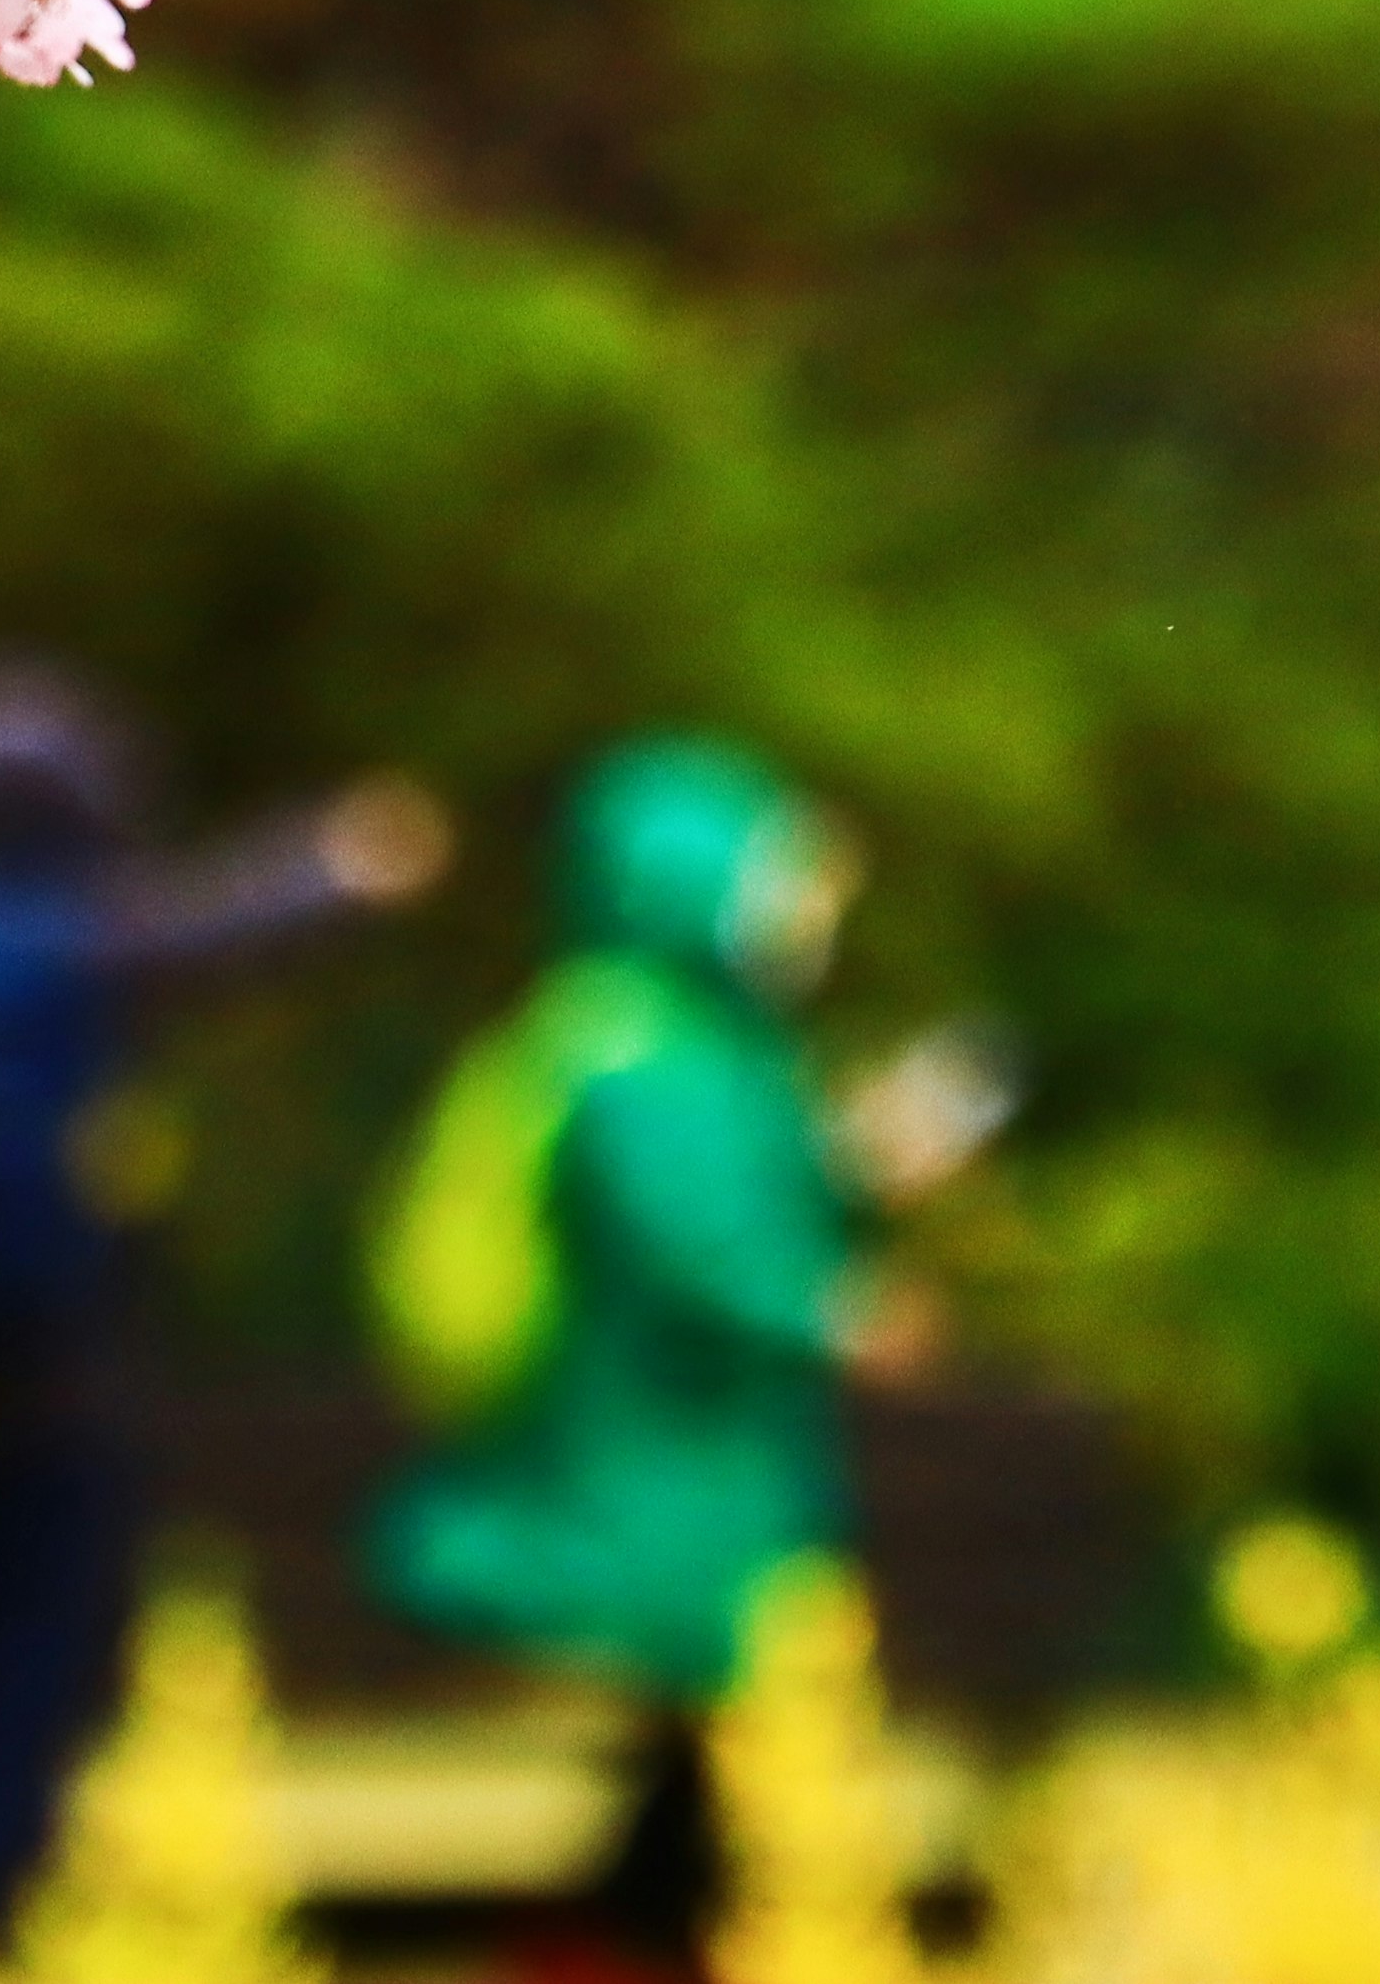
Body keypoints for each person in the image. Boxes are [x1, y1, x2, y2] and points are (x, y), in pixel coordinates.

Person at [0, 662, 449, 1959]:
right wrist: (347, 862)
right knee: (29, 1647)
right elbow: (226, 928)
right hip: (51, 1384)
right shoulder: (87, 939)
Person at [365, 735, 917, 1982]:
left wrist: (851, 1170)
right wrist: (833, 1315)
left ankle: (603, 1947)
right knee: (728, 1736)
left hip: (695, 1484)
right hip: (652, 1494)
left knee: (709, 1768)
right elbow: (693, 1250)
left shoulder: (662, 1037)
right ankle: (606, 1954)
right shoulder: (638, 1054)